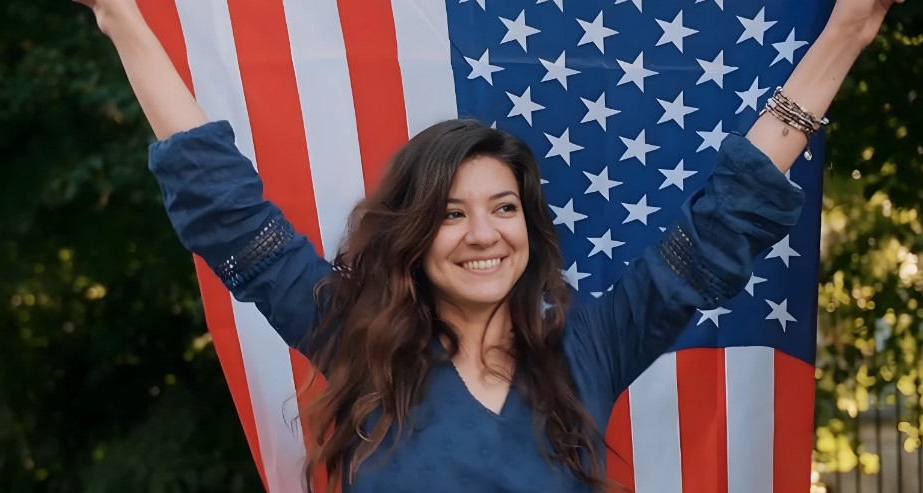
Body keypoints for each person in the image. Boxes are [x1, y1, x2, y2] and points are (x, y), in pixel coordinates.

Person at [75, 0, 905, 491]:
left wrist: (850, 30)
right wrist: (120, 17)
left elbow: (724, 220)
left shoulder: (590, 343)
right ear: (411, 234)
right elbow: (224, 208)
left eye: (503, 207)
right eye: (450, 212)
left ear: (528, 229)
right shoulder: (351, 336)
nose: (482, 233)